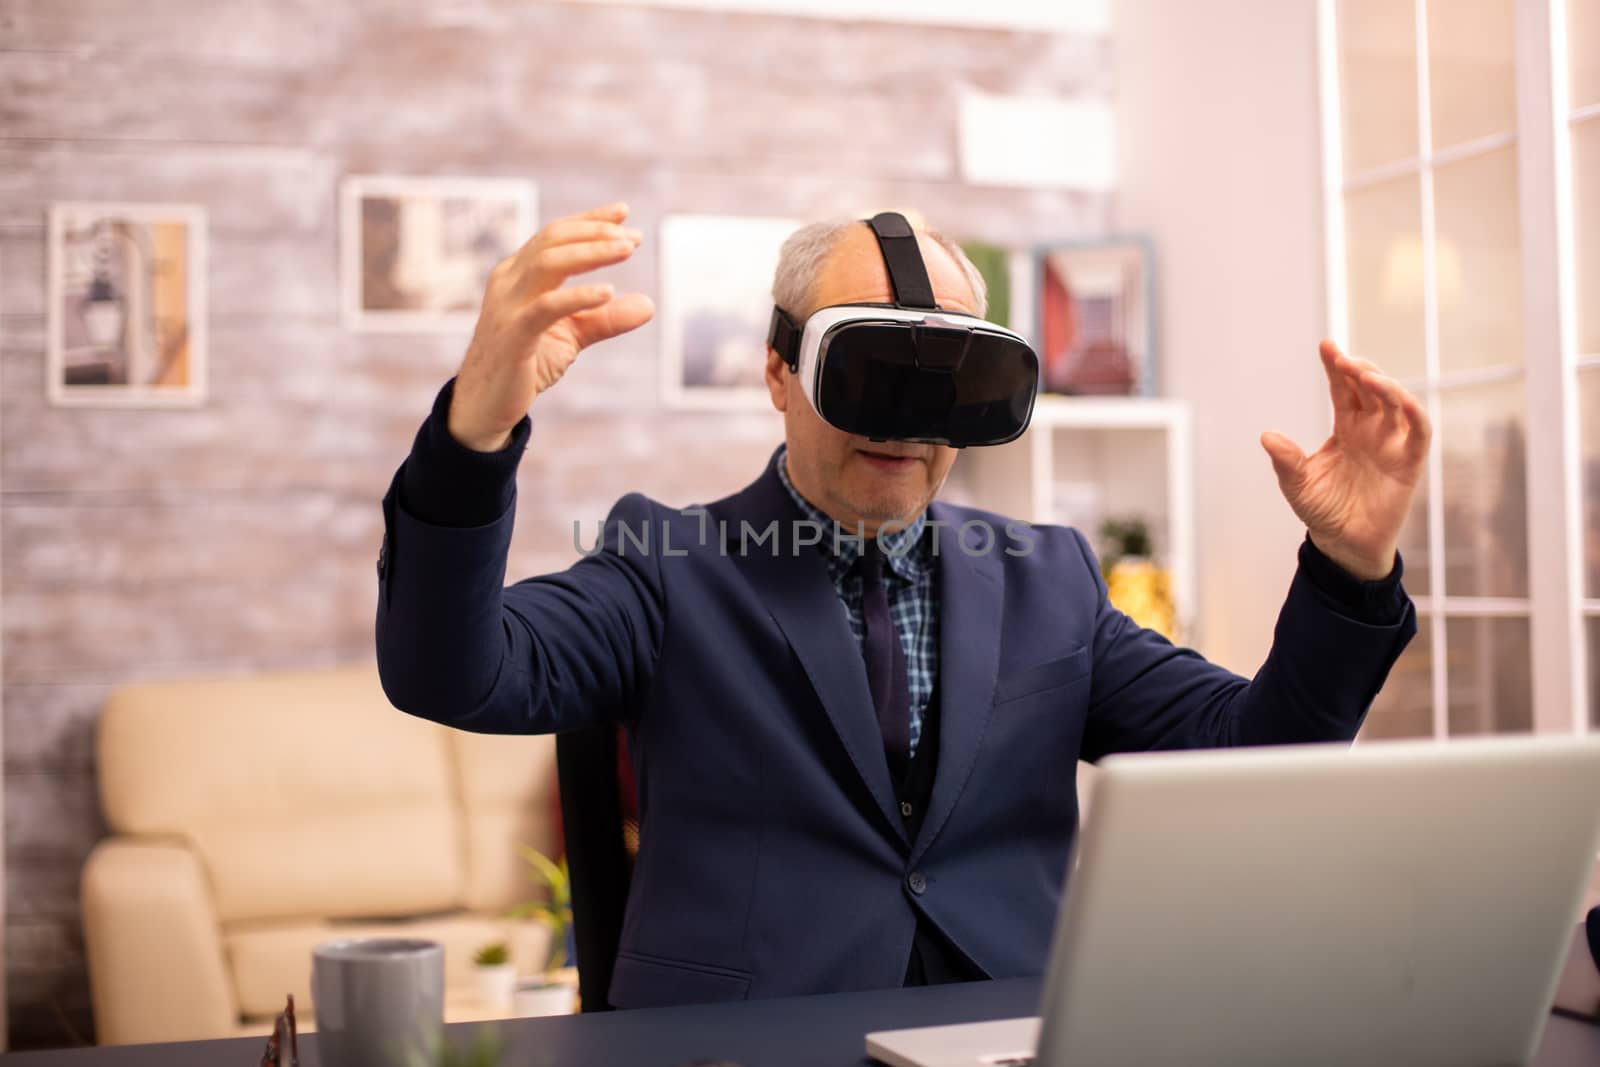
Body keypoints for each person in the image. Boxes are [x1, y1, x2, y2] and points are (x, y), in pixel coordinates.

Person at [376, 201, 1425, 1010]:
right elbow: (452, 670)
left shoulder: (1047, 576)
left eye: (948, 380)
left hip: (1005, 1026)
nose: (909, 423)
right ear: (781, 371)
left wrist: (1348, 566)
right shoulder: (666, 563)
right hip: (748, 1040)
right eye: (871, 368)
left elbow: (1254, 750)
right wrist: (475, 431)